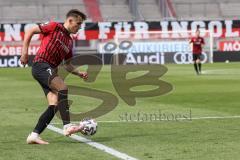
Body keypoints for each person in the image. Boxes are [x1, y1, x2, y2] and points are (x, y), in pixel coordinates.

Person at [20, 9, 88, 144]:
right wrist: (24, 53)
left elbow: (68, 65)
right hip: (41, 65)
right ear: (70, 20)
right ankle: (67, 126)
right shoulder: (54, 26)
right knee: (62, 88)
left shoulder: (69, 41)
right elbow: (30, 31)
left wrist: (79, 73)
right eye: (78, 24)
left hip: (50, 70)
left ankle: (34, 135)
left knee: (55, 104)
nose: (79, 27)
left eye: (81, 25)